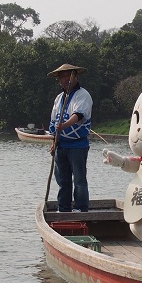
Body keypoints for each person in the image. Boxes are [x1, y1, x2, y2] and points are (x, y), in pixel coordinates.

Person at [47, 63, 92, 212]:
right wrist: (54, 141)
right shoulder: (59, 98)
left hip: (77, 145)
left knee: (79, 180)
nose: (66, 80)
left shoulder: (83, 95)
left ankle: (81, 208)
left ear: (75, 77)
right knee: (63, 180)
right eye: (63, 77)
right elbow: (53, 121)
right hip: (62, 145)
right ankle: (63, 208)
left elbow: (78, 115)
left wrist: (65, 125)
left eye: (69, 76)